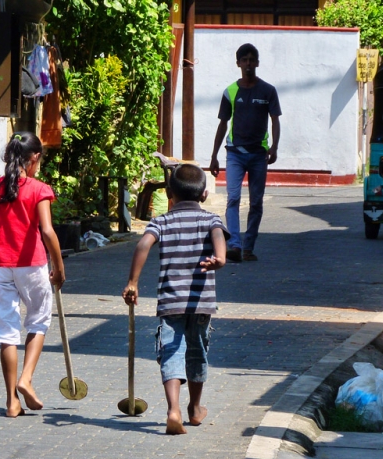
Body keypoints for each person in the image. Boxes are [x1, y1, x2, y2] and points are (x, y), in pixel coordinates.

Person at [0, 131, 66, 418]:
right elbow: (47, 231)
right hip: (31, 265)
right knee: (39, 321)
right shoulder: (38, 189)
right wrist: (59, 267)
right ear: (34, 158)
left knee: (7, 330)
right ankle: (26, 379)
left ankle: (11, 401)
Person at [122, 163, 228, 435]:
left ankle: (174, 410)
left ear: (170, 194)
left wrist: (133, 282)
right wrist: (220, 258)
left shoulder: (161, 221)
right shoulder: (211, 219)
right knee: (197, 351)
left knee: (171, 350)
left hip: (170, 301)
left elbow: (143, 244)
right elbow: (219, 237)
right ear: (204, 194)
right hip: (201, 302)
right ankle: (195, 408)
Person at [209, 43, 281, 262]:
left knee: (256, 202)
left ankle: (248, 246)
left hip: (259, 154)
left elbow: (275, 120)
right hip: (235, 154)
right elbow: (223, 124)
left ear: (257, 63)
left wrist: (274, 147)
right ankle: (235, 245)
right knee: (233, 198)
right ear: (238, 63)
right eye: (244, 60)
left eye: (252, 60)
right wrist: (213, 155)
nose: (248, 64)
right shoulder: (230, 91)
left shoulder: (268, 90)